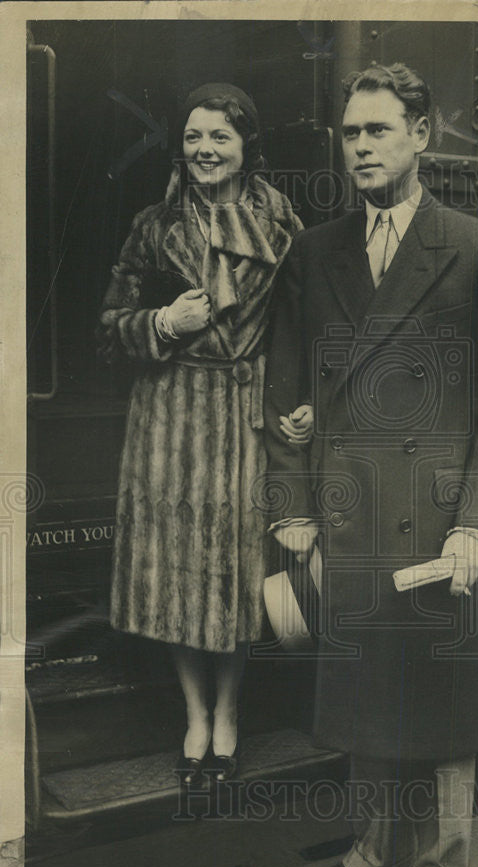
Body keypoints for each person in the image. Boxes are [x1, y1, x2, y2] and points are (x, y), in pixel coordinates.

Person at [264, 63, 478, 867]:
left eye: (379, 130)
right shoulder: (316, 250)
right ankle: (372, 854)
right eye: (351, 133)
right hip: (348, 516)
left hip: (440, 524)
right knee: (362, 697)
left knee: (445, 708)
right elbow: (286, 398)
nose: (363, 147)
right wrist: (292, 511)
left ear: (423, 134)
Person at [97, 83, 309, 786]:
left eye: (219, 137)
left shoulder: (282, 224)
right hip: (169, 417)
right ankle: (196, 714)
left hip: (244, 413)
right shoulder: (154, 225)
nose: (204, 150)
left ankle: (230, 712)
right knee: (178, 577)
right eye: (192, 137)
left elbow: (305, 329)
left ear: (246, 146)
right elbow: (107, 330)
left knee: (235, 575)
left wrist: (301, 403)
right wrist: (162, 324)